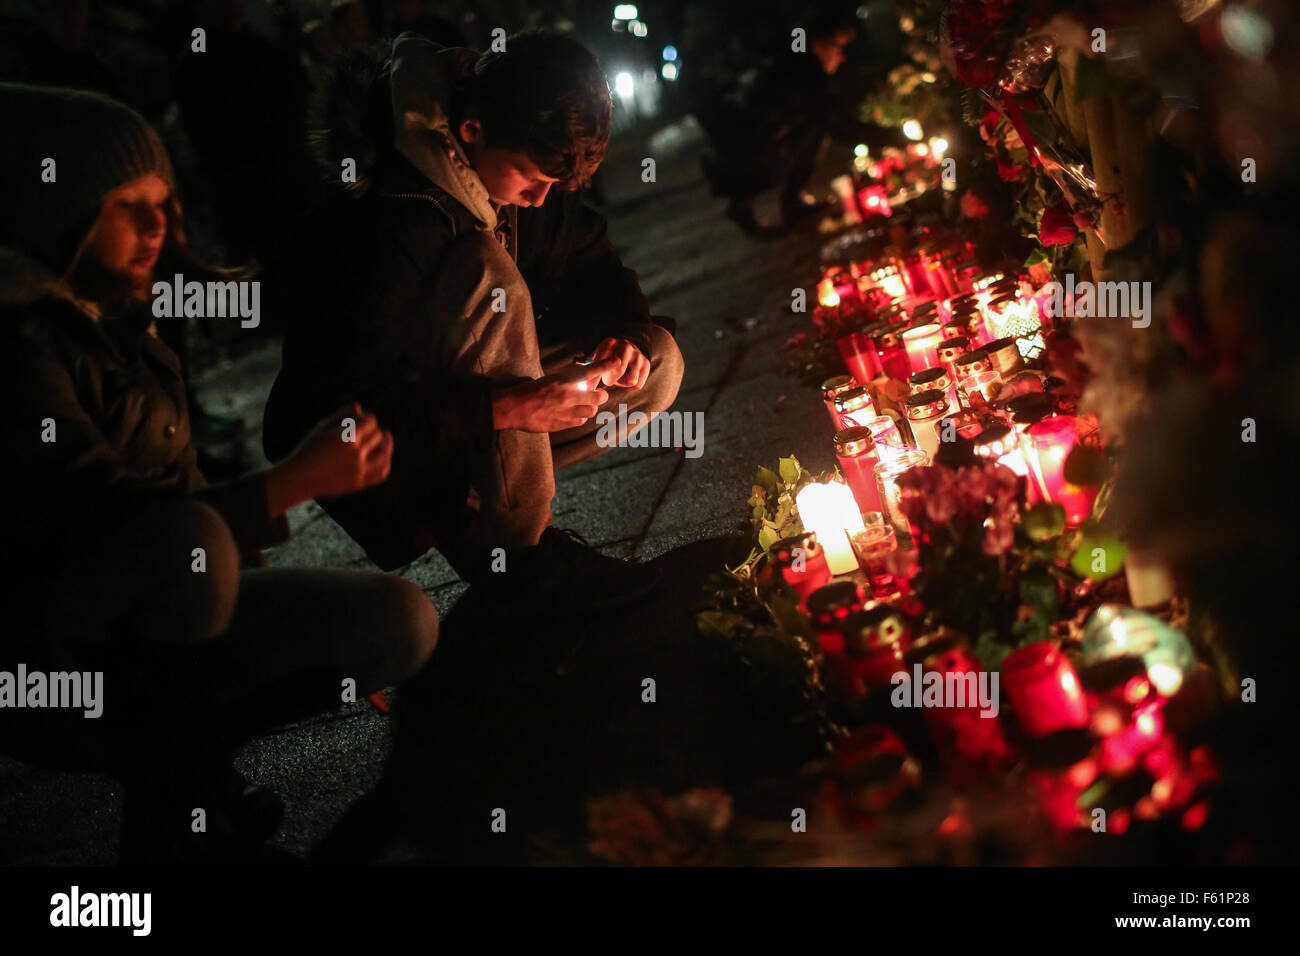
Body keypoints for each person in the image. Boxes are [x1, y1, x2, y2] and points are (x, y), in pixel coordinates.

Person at [0, 83, 440, 863]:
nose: (158, 225)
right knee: (192, 536)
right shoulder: (20, 346)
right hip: (51, 669)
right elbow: (108, 519)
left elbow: (181, 499)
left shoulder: (124, 313)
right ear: (56, 213)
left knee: (398, 621)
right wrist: (292, 482)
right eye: (127, 204)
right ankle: (179, 819)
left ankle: (194, 786)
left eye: (164, 201)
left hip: (157, 634)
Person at [263, 31, 685, 617]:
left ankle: (492, 510)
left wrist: (626, 337)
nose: (540, 201)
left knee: (658, 363)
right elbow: (339, 405)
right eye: (530, 180)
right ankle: (523, 560)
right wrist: (505, 409)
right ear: (472, 130)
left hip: (467, 422)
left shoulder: (517, 168)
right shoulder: (386, 217)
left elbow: (592, 261)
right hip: (385, 455)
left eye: (554, 186)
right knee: (490, 275)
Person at [695, 10, 908, 236]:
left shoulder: (792, 64)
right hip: (752, 161)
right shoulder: (803, 74)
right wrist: (895, 137)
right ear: (819, 44)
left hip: (742, 156)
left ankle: (767, 203)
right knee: (817, 127)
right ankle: (782, 203)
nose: (842, 57)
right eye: (839, 48)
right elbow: (841, 125)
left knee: (815, 125)